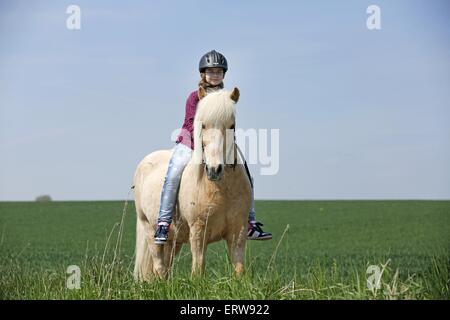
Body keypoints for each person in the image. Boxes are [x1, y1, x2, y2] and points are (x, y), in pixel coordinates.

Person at [154, 50, 272, 245]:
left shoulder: (227, 98)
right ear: (203, 74)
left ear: (223, 74)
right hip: (191, 143)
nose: (215, 74)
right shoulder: (195, 97)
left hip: (220, 144)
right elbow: (191, 123)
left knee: (247, 174)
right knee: (173, 173)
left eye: (218, 71)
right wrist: (204, 142)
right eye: (211, 71)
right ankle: (164, 222)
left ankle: (250, 223)